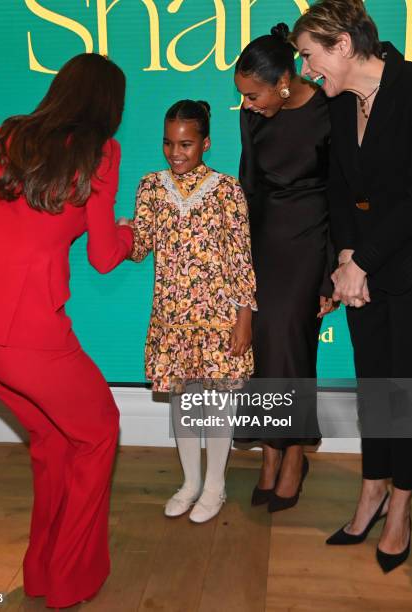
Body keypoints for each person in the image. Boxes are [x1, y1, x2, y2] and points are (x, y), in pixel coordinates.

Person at [0, 54, 133, 606]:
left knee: (52, 441)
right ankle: (69, 579)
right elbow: (100, 256)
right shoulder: (101, 152)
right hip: (25, 329)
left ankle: (42, 574)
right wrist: (129, 233)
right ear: (108, 106)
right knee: (97, 432)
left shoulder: (8, 136)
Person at [292, 0, 412, 572]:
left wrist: (359, 262)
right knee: (375, 389)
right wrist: (345, 256)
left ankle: (400, 505)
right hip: (363, 274)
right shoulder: (339, 103)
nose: (306, 70)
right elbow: (339, 188)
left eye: (309, 55)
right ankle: (372, 486)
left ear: (343, 43)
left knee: (407, 393)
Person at [126, 99, 256, 523]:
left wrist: (244, 317)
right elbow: (141, 246)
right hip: (171, 316)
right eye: (168, 143)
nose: (175, 153)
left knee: (217, 403)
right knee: (183, 402)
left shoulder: (226, 189)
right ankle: (190, 482)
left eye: (186, 144)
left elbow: (240, 258)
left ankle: (215, 485)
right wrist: (122, 233)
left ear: (206, 143)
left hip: (218, 316)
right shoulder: (149, 186)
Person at [234, 23, 334, 512]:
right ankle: (271, 454)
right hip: (261, 242)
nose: (248, 104)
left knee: (291, 349)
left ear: (283, 83)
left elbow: (342, 195)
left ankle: (292, 453)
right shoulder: (251, 116)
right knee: (264, 349)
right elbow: (247, 184)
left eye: (254, 95)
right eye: (243, 96)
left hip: (310, 241)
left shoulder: (327, 111)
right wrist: (237, 257)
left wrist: (330, 271)